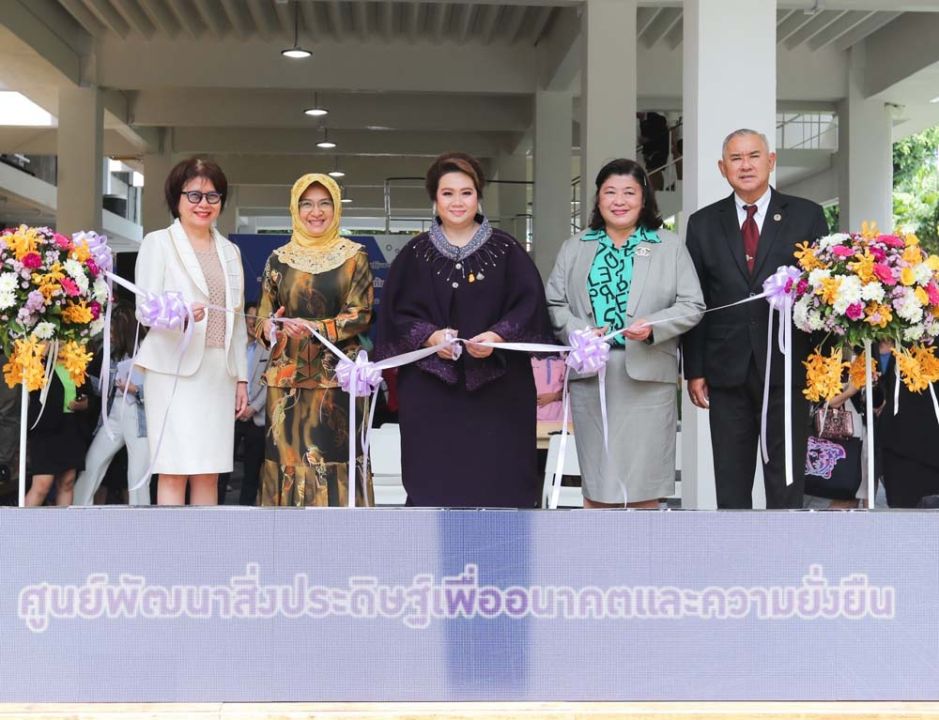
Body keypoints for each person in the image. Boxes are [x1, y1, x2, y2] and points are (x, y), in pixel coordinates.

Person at [375, 152, 553, 508]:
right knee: (434, 486)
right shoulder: (414, 254)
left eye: (466, 192)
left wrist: (498, 335)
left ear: (479, 196)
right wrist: (430, 336)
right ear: (434, 199)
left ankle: (503, 562)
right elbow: (396, 314)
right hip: (431, 393)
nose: (458, 201)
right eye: (448, 193)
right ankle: (436, 564)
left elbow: (529, 304)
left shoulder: (507, 250)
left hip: (499, 394)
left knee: (501, 484)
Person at [682, 128, 829, 509]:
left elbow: (823, 293)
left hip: (788, 367)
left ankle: (784, 562)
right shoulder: (702, 223)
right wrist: (694, 368)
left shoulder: (807, 215)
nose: (745, 165)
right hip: (726, 368)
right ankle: (736, 563)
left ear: (771, 160)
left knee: (786, 480)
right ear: (722, 167)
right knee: (730, 482)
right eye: (735, 158)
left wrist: (823, 367)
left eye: (753, 156)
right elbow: (695, 300)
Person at [546, 158, 704, 508]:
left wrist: (653, 326)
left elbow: (693, 304)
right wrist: (580, 331)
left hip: (648, 379)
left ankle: (642, 560)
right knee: (599, 482)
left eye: (629, 192)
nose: (619, 201)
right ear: (598, 200)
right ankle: (600, 559)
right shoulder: (575, 247)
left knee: (645, 485)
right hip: (593, 377)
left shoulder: (669, 245)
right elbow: (554, 304)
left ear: (644, 199)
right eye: (610, 192)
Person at [134, 157, 249, 506]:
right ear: (177, 198)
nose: (204, 204)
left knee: (209, 471)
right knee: (173, 469)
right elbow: (145, 309)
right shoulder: (158, 243)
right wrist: (180, 315)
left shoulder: (231, 251)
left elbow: (238, 318)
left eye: (213, 197)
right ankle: (171, 555)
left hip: (219, 373)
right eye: (194, 195)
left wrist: (241, 378)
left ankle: (205, 555)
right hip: (173, 371)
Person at [255, 173, 374, 507]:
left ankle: (341, 550)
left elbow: (361, 313)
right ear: (295, 208)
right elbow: (264, 317)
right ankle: (286, 551)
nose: (316, 212)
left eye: (325, 203)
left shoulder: (354, 258)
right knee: (286, 463)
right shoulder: (277, 259)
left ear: (336, 208)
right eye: (307, 203)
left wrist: (313, 328)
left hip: (336, 382)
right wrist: (272, 327)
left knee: (335, 460)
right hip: (286, 382)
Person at [73, 302, 151, 506]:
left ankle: (142, 523)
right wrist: (82, 376)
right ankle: (79, 511)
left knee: (137, 475)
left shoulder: (148, 351)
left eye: (113, 330)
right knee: (92, 463)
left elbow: (160, 391)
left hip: (139, 417)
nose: (111, 335)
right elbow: (103, 389)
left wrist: (136, 389)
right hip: (113, 416)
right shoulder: (111, 353)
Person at [25, 362, 90, 506]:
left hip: (71, 425)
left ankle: (62, 526)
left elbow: (87, 393)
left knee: (67, 482)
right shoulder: (38, 359)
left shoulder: (76, 359)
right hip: (45, 428)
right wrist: (42, 352)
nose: (61, 342)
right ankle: (20, 527)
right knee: (42, 485)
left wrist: (83, 403)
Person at [234, 305, 268, 505]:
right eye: (249, 317)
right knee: (223, 471)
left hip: (256, 416)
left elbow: (269, 382)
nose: (253, 321)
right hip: (233, 414)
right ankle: (217, 510)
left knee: (251, 472)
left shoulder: (269, 348)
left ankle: (245, 512)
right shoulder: (234, 348)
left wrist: (253, 407)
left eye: (257, 318)